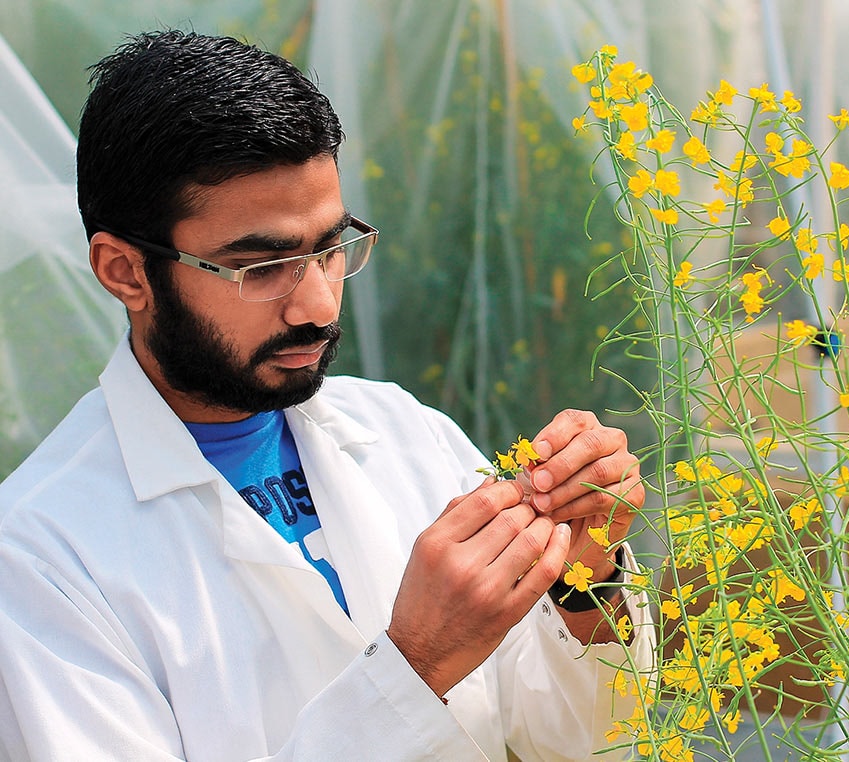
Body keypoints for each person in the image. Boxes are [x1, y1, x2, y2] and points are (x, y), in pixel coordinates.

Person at [0, 30, 652, 761]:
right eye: (262, 265)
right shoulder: (39, 560)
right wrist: (417, 665)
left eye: (329, 248)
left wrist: (584, 585)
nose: (316, 304)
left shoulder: (403, 431)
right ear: (124, 272)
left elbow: (575, 743)